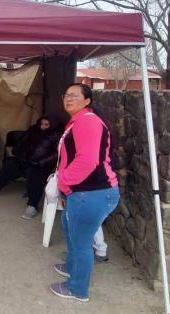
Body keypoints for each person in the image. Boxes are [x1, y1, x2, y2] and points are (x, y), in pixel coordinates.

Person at [49, 84, 119, 302]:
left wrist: (64, 183)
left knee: (81, 243)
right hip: (82, 192)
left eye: (75, 95)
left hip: (91, 192)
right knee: (69, 230)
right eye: (66, 95)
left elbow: (87, 161)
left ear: (87, 100)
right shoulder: (79, 120)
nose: (69, 99)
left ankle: (77, 289)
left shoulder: (87, 122)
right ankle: (72, 267)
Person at [0, 116, 58, 220]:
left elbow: (57, 154)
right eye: (41, 124)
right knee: (9, 166)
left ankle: (32, 205)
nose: (42, 126)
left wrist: (40, 162)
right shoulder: (33, 130)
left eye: (46, 125)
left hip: (40, 165)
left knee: (35, 176)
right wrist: (18, 153)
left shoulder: (56, 135)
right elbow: (21, 142)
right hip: (25, 160)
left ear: (51, 125)